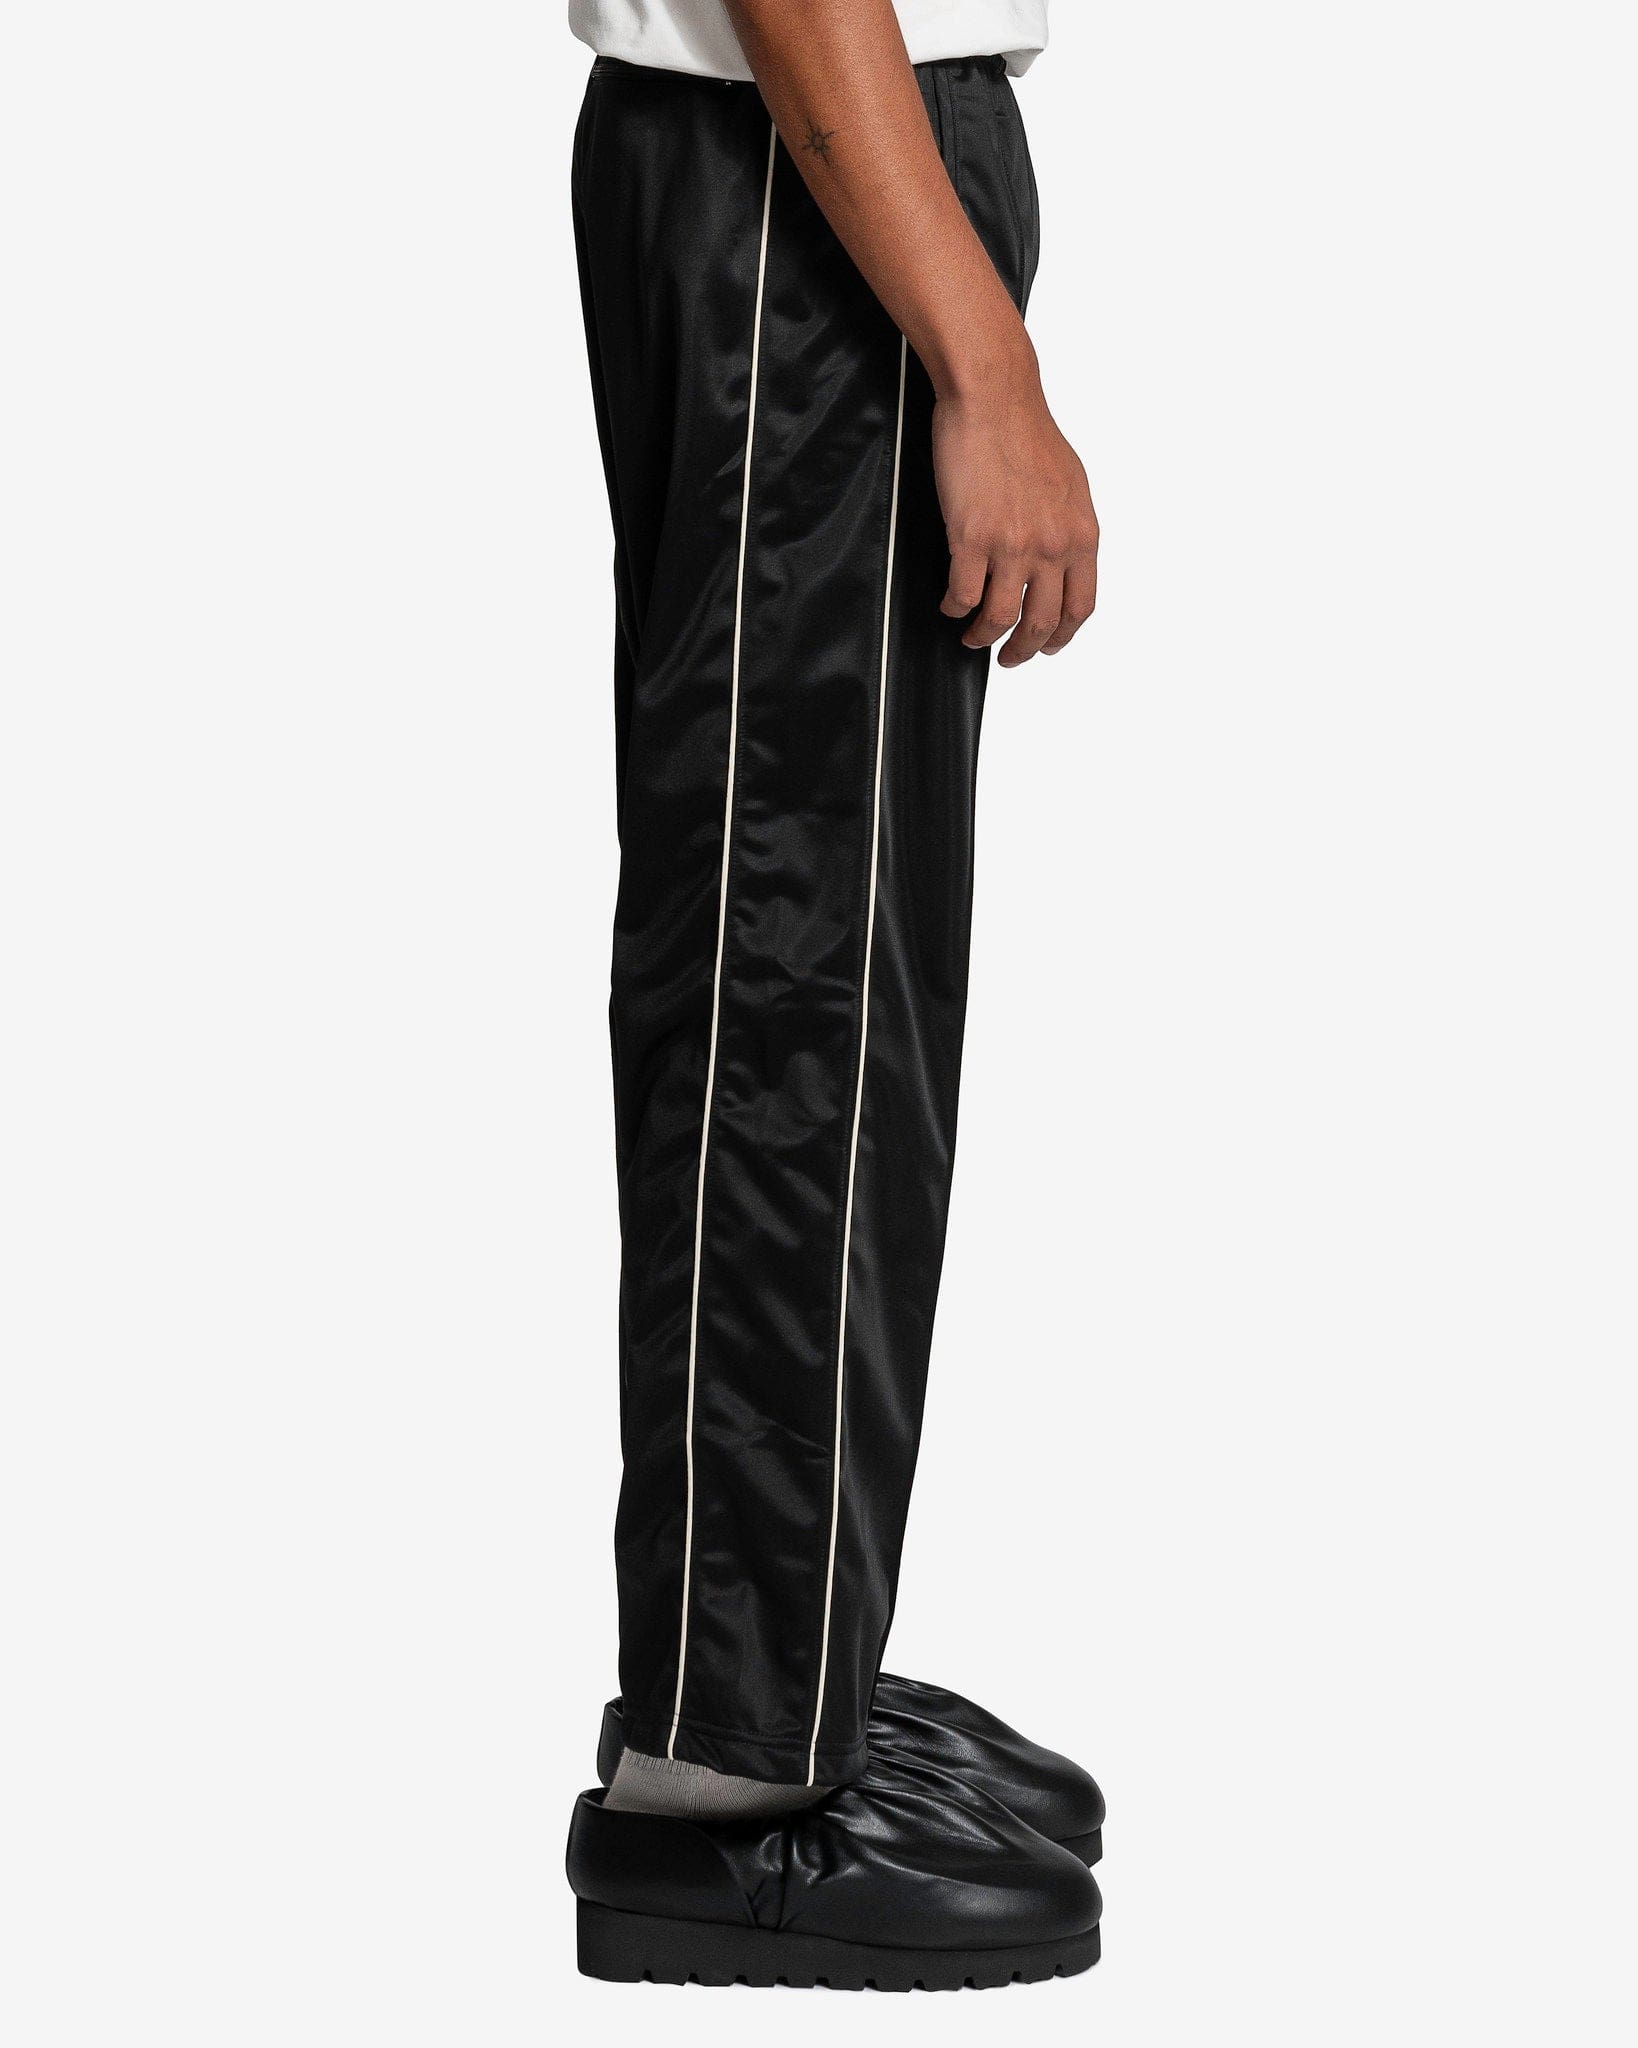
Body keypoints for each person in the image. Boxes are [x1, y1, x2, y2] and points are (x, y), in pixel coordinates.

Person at [565, 0, 1104, 1990]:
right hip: (808, 191)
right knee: (784, 960)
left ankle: (788, 1665)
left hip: (832, 181)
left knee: (841, 959)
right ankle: (721, 1763)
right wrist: (983, 359)